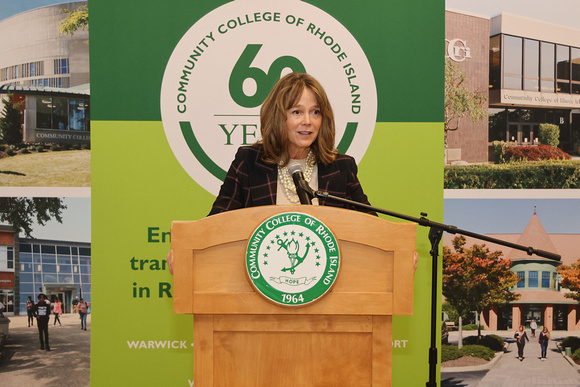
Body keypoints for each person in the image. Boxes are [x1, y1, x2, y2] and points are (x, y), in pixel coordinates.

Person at [167, 72, 418, 273]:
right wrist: (187, 250)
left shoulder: (341, 168)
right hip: (258, 297)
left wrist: (397, 251)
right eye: (297, 112)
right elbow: (216, 224)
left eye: (315, 112)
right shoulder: (250, 162)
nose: (308, 121)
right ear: (279, 117)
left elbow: (372, 229)